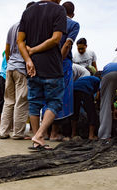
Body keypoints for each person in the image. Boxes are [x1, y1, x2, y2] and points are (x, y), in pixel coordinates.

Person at [17, 0, 66, 150]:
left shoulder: (28, 11)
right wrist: (34, 51)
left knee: (34, 102)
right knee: (55, 102)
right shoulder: (59, 10)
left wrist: (28, 60)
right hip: (51, 65)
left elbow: (20, 41)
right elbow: (56, 39)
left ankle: (36, 139)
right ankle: (39, 135)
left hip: (33, 67)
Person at [0, 2, 35, 140]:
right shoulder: (30, 27)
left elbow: (6, 50)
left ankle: (3, 132)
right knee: (21, 101)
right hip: (21, 67)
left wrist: (9, 63)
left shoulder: (13, 26)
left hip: (10, 68)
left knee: (9, 101)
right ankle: (18, 133)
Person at [46, 1, 79, 141]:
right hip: (61, 62)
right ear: (72, 13)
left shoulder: (51, 22)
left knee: (47, 95)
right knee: (60, 97)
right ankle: (54, 132)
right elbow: (67, 44)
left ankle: (44, 132)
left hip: (46, 61)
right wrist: (58, 62)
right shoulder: (73, 24)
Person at [71, 75, 100, 140]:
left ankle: (73, 134)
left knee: (75, 112)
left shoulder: (87, 78)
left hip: (74, 89)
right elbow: (98, 95)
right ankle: (91, 135)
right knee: (92, 113)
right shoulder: (98, 80)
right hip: (85, 90)